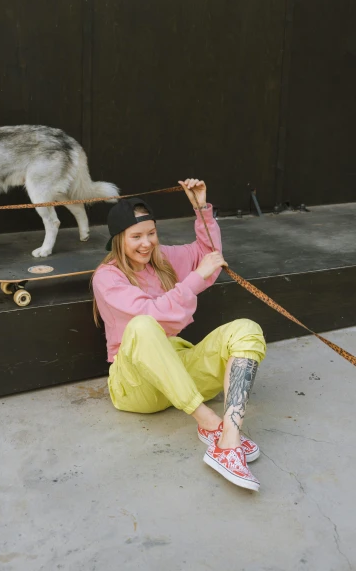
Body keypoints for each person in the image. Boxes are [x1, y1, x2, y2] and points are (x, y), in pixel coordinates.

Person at [91, 179, 266, 491]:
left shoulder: (162, 260)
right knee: (143, 325)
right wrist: (195, 280)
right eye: (136, 237)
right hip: (136, 385)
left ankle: (228, 441)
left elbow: (208, 256)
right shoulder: (107, 277)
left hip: (176, 370)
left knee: (247, 330)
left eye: (151, 233)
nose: (146, 243)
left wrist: (201, 208)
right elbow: (152, 315)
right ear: (118, 240)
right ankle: (209, 422)